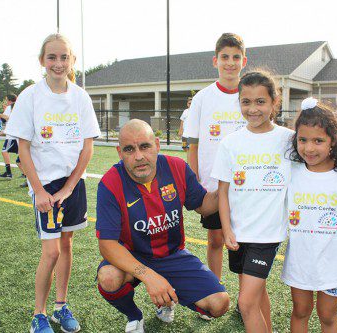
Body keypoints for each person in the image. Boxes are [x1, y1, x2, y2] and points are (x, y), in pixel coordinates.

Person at [6, 33, 101, 333]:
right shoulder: (30, 96)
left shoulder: (80, 97)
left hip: (73, 185)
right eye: (52, 57)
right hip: (45, 185)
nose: (58, 63)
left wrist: (70, 187)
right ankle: (39, 314)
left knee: (67, 244)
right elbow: (22, 149)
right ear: (42, 61)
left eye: (64, 57)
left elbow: (87, 148)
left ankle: (61, 306)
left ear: (72, 61)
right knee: (51, 252)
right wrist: (39, 191)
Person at [96, 119, 229, 333]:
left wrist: (228, 186)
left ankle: (168, 297)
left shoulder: (176, 167)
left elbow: (203, 205)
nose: (138, 156)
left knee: (219, 304)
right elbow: (107, 245)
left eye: (145, 146)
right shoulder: (110, 183)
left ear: (157, 145)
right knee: (109, 278)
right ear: (119, 152)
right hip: (132, 255)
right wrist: (149, 276)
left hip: (172, 255)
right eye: (129, 149)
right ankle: (134, 315)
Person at [211, 70, 293, 332]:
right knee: (257, 294)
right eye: (246, 102)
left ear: (274, 103)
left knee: (245, 303)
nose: (253, 108)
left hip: (267, 235)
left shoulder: (288, 140)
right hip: (238, 234)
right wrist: (226, 229)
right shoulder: (231, 143)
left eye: (260, 102)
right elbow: (222, 192)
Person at [282, 97, 337, 333]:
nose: (309, 148)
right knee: (300, 311)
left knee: (328, 316)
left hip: (334, 264)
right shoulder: (292, 172)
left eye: (318, 140)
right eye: (303, 140)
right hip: (300, 262)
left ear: (333, 141)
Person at [184, 33, 248, 281]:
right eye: (225, 57)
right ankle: (215, 290)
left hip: (246, 186)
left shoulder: (251, 95)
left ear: (244, 61)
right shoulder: (202, 98)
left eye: (235, 57)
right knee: (215, 239)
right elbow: (193, 144)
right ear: (215, 61)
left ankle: (246, 300)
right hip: (212, 184)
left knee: (245, 242)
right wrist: (195, 182)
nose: (230, 63)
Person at [0, 94, 21, 179]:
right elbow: (3, 118)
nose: (6, 102)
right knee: (20, 158)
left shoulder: (11, 107)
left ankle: (9, 173)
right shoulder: (15, 107)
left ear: (9, 100)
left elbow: (8, 118)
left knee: (4, 152)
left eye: (6, 100)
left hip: (12, 136)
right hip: (15, 135)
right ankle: (24, 174)